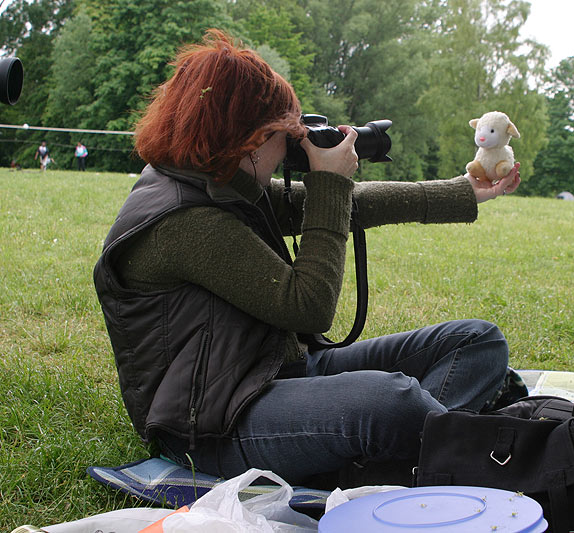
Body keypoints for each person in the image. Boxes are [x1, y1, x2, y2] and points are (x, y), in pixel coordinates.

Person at [93, 30, 522, 488]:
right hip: (215, 422)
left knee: (476, 342)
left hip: (274, 371)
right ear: (252, 140)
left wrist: (463, 191)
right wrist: (328, 184)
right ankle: (471, 457)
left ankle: (399, 456)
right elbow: (309, 304)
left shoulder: (217, 180)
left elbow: (345, 205)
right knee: (390, 400)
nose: (290, 147)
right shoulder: (183, 219)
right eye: (284, 134)